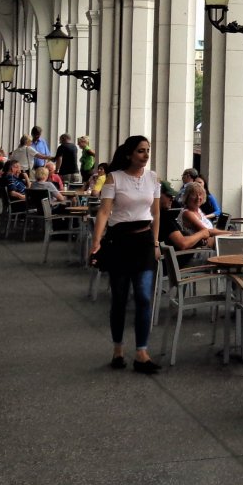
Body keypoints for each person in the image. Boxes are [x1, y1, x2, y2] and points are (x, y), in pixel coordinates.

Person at [89, 136, 163, 374]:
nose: (146, 155)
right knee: (119, 298)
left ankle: (142, 352)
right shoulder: (114, 178)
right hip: (119, 240)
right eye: (141, 151)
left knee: (143, 296)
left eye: (148, 151)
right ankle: (118, 349)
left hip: (143, 241)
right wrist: (96, 241)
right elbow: (104, 211)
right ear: (129, 154)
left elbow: (156, 213)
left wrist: (155, 242)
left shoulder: (153, 178)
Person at [165, 184, 218, 253]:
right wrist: (231, 233)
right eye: (194, 195)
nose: (198, 197)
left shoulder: (199, 211)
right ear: (187, 197)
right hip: (197, 252)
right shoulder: (187, 213)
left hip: (206, 248)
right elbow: (207, 231)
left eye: (200, 194)